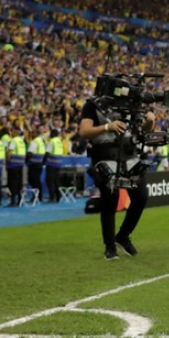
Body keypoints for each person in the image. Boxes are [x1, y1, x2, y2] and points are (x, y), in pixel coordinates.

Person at [76, 97, 156, 260]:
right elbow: (84, 131)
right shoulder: (93, 104)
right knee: (110, 198)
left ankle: (123, 235)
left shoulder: (130, 103)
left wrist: (150, 121)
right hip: (105, 154)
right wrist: (108, 126)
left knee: (141, 196)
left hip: (129, 154)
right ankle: (110, 246)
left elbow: (143, 129)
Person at [4, 125, 26, 207]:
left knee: (12, 183)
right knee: (19, 183)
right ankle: (20, 199)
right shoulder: (21, 142)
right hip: (20, 165)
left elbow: (9, 153)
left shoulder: (13, 141)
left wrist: (7, 163)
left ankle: (13, 200)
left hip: (13, 165)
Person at [27, 125, 47, 203]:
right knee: (37, 180)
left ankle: (36, 196)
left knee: (33, 180)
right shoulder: (42, 141)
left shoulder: (34, 141)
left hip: (33, 164)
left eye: (33, 133)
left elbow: (30, 153)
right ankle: (39, 196)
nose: (31, 134)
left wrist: (27, 161)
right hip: (39, 163)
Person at [45, 127, 66, 203]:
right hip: (58, 163)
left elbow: (47, 153)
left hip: (51, 164)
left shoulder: (52, 141)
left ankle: (52, 197)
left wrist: (43, 162)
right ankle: (58, 197)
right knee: (57, 181)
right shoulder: (59, 141)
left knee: (50, 181)